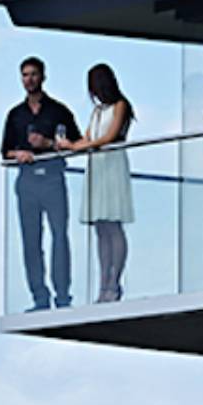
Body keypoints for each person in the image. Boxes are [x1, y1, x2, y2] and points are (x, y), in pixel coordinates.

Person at [0, 57, 82, 310]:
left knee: (59, 236)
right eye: (25, 75)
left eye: (34, 74)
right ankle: (39, 296)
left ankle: (63, 295)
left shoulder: (59, 111)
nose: (29, 79)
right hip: (27, 182)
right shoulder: (15, 115)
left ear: (43, 76)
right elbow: (5, 151)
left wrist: (48, 144)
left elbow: (77, 144)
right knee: (30, 241)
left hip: (53, 179)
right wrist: (19, 154)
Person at [57, 63, 134, 302]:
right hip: (98, 166)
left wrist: (76, 145)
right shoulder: (98, 111)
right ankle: (103, 282)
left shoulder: (121, 106)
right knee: (101, 227)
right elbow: (88, 139)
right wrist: (67, 145)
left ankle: (114, 281)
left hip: (112, 164)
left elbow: (109, 137)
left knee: (113, 224)